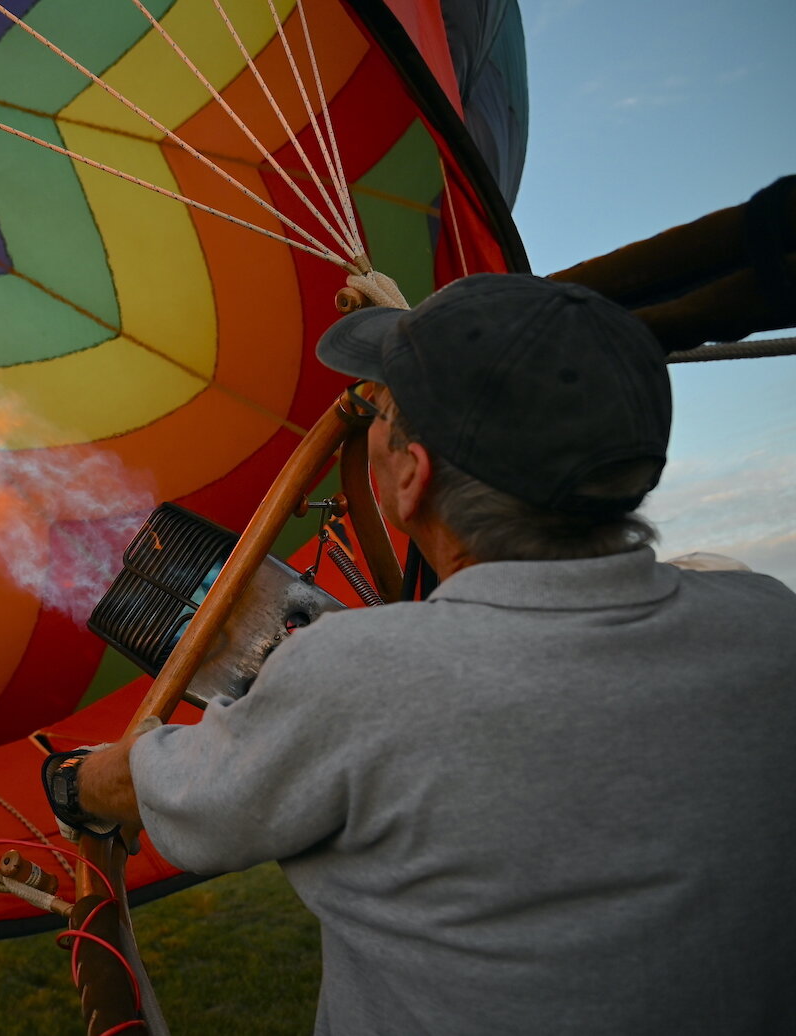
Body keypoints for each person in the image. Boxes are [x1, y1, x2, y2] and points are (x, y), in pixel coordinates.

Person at [46, 273, 796, 1035]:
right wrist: (433, 347)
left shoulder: (354, 676)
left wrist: (71, 783)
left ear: (412, 474)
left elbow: (156, 785)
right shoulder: (770, 625)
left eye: (390, 414)